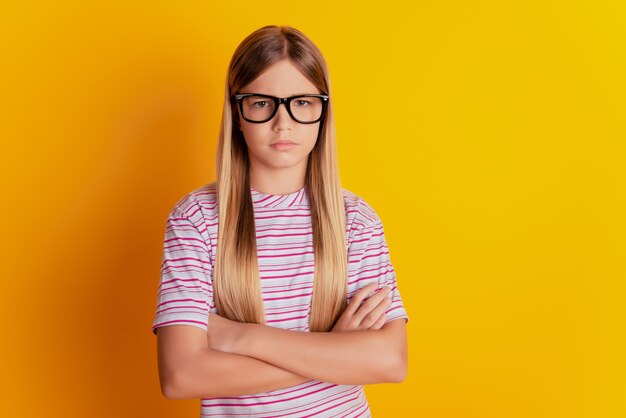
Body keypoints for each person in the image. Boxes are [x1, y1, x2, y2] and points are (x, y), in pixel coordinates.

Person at [151, 24, 409, 417]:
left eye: (302, 102)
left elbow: (390, 361)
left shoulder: (355, 220)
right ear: (237, 113)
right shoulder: (197, 218)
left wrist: (240, 337)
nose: (283, 122)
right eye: (261, 103)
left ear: (324, 112)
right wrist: (334, 349)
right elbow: (181, 375)